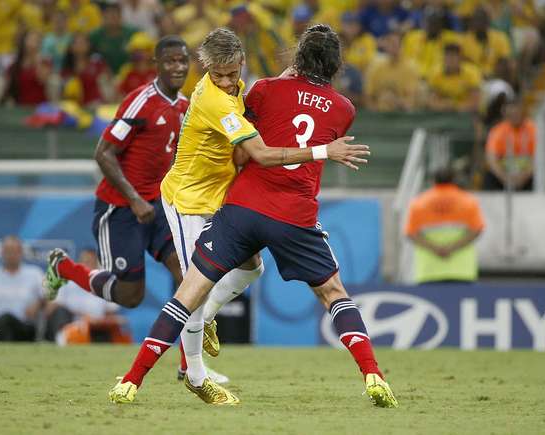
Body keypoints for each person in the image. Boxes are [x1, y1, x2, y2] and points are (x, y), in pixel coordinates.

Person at [107, 27, 370, 405]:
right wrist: (322, 151)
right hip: (188, 200)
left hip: (218, 196)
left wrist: (298, 69)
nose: (228, 81)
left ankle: (208, 319)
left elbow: (280, 85)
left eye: (233, 73)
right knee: (190, 289)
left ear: (240, 63)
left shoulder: (241, 87)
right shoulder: (217, 102)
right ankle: (195, 377)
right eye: (219, 75)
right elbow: (261, 155)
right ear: (206, 69)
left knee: (252, 267)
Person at [45, 36, 189, 315]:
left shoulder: (183, 105)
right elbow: (103, 153)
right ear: (156, 64)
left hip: (158, 206)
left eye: (183, 60)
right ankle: (63, 267)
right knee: (130, 295)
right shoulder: (141, 102)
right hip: (121, 208)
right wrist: (134, 199)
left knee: (187, 275)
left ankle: (190, 358)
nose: (178, 66)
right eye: (170, 60)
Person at [405, 167, 485, 283]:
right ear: (454, 179)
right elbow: (476, 230)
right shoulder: (468, 201)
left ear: (433, 181)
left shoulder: (419, 203)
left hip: (428, 270)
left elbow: (411, 233)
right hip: (461, 270)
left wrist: (436, 249)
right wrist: (451, 248)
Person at [45, 248, 130, 345]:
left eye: (91, 261)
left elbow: (110, 312)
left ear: (97, 263)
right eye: (85, 261)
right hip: (71, 322)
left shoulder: (106, 282)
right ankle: (61, 340)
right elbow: (54, 307)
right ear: (79, 262)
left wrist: (100, 320)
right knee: (60, 313)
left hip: (96, 325)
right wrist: (83, 316)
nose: (87, 264)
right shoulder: (66, 280)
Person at [0, 236, 44, 341]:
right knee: (3, 321)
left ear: (21, 252)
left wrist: (37, 304)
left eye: (14, 251)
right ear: (2, 252)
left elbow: (47, 296)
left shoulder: (34, 273)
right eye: (7, 251)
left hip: (23, 326)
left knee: (7, 319)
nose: (11, 255)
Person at [484, 100, 536, 190]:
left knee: (539, 175)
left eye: (517, 113)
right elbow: (491, 158)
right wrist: (504, 177)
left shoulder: (533, 129)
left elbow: (538, 158)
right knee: (489, 177)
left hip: (527, 173)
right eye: (511, 114)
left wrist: (524, 176)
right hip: (505, 172)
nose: (514, 117)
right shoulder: (498, 130)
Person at [364, 31, 422, 112]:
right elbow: (368, 96)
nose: (392, 47)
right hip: (380, 115)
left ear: (402, 46)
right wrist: (375, 108)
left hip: (402, 116)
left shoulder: (410, 68)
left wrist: (394, 101)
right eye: (389, 43)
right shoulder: (376, 67)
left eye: (395, 44)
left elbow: (410, 103)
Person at [425, 43, 481, 112]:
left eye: (453, 57)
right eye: (447, 56)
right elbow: (431, 101)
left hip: (466, 112)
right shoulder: (435, 72)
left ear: (460, 59)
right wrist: (443, 106)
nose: (450, 61)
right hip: (443, 111)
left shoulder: (472, 72)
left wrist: (457, 107)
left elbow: (475, 102)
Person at [2, 31, 50, 106]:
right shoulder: (14, 66)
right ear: (23, 42)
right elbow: (7, 90)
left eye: (37, 41)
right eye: (31, 39)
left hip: (40, 108)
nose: (33, 43)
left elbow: (42, 80)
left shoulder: (44, 62)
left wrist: (37, 60)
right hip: (20, 108)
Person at [89, 3, 137, 75]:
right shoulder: (95, 36)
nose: (112, 17)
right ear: (103, 17)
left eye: (115, 15)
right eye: (109, 15)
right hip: (103, 76)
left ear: (120, 16)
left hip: (129, 74)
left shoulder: (132, 33)